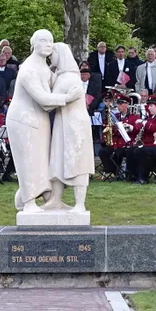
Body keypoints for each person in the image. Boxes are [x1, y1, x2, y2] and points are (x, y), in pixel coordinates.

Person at [6, 29, 82, 212]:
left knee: (42, 161)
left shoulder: (44, 67)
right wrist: (68, 97)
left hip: (40, 119)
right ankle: (29, 202)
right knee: (28, 160)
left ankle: (50, 200)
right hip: (23, 119)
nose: (48, 44)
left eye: (50, 41)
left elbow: (53, 89)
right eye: (43, 40)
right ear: (33, 44)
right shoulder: (28, 68)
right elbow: (43, 99)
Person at [46, 42, 95, 211]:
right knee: (58, 159)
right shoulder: (63, 76)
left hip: (74, 125)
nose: (50, 57)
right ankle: (56, 199)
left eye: (52, 54)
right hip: (64, 122)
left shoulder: (69, 77)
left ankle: (79, 204)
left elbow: (49, 103)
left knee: (77, 161)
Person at [98, 95, 138, 178]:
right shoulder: (116, 117)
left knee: (118, 152)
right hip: (115, 144)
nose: (118, 106)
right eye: (118, 104)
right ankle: (112, 171)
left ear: (126, 105)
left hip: (126, 144)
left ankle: (119, 172)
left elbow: (136, 130)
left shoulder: (134, 117)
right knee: (102, 151)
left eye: (121, 104)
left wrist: (128, 127)